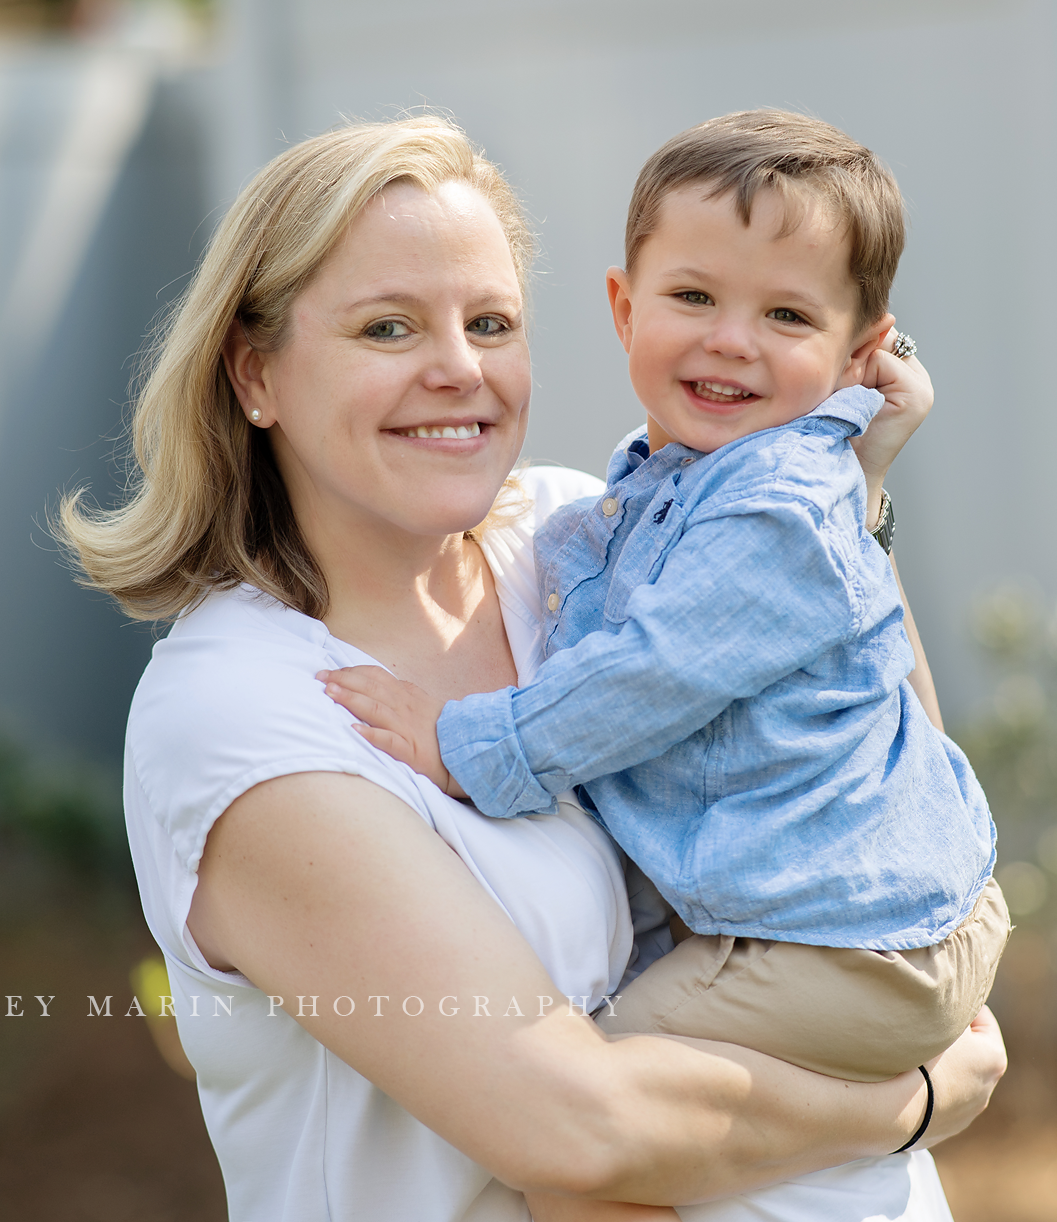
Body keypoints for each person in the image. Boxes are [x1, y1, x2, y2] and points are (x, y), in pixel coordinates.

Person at [58, 115, 1005, 1222]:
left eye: (489, 322)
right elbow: (578, 1130)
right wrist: (912, 1097)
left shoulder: (581, 539)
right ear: (255, 371)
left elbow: (893, 773)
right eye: (387, 327)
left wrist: (850, 499)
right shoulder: (237, 710)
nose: (456, 369)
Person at [322, 111, 1007, 1099]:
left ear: (861, 351)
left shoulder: (775, 505)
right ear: (622, 305)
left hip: (838, 945)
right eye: (692, 296)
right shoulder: (670, 484)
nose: (729, 343)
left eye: (786, 317)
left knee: (574, 1109)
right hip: (859, 924)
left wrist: (468, 746)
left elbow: (649, 674)